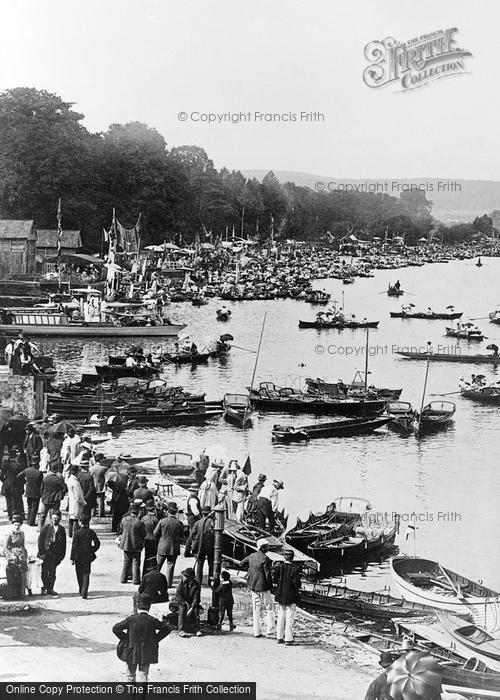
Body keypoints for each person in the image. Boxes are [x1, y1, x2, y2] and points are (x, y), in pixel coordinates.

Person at [112, 593, 171, 683]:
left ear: (137, 605)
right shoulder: (152, 620)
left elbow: (116, 628)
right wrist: (155, 639)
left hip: (131, 651)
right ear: (149, 606)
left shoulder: (131, 619)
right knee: (143, 676)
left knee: (130, 675)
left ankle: (132, 696)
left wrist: (126, 638)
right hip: (146, 651)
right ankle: (141, 697)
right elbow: (166, 628)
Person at [240, 538, 275, 638]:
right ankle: (270, 630)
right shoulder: (265, 558)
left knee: (256, 609)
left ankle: (257, 631)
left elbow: (241, 563)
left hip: (253, 585)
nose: (269, 547)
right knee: (270, 608)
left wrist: (251, 571)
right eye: (267, 546)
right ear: (263, 548)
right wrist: (271, 586)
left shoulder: (252, 556)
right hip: (263, 586)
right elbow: (267, 574)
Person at [273, 549, 301, 645]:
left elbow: (274, 580)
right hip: (291, 596)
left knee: (280, 615)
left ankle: (279, 637)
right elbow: (297, 584)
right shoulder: (294, 569)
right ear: (292, 558)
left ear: (284, 557)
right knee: (290, 617)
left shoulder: (279, 567)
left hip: (280, 595)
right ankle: (288, 639)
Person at [154, 503, 184, 587]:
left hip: (162, 546)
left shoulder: (162, 521)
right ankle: (168, 584)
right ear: (175, 512)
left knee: (158, 565)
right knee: (170, 565)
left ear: (168, 511)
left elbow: (155, 533)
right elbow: (182, 536)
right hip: (174, 547)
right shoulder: (179, 523)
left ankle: (155, 581)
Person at [70, 515, 100, 598]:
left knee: (79, 573)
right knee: (86, 574)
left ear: (80, 522)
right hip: (87, 556)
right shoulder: (91, 532)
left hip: (78, 556)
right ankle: (85, 592)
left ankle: (81, 589)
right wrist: (92, 550)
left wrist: (72, 558)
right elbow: (97, 543)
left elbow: (74, 546)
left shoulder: (76, 533)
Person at [37, 510, 66, 595]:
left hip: (55, 554)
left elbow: (63, 543)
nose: (54, 520)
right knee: (44, 571)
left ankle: (50, 588)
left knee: (52, 572)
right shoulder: (46, 527)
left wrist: (61, 556)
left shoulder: (61, 529)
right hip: (45, 553)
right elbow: (40, 540)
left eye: (56, 518)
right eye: (53, 518)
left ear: (59, 519)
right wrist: (41, 552)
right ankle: (44, 588)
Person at [119, 503, 146, 585]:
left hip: (126, 543)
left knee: (126, 561)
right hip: (136, 544)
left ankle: (123, 578)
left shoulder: (124, 520)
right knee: (136, 562)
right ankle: (136, 579)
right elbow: (144, 533)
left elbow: (121, 528)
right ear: (138, 512)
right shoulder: (139, 522)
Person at [3, 514, 29, 597]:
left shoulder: (22, 533)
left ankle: (22, 592)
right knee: (14, 574)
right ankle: (14, 593)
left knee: (23, 573)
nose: (17, 527)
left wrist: (25, 555)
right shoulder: (9, 535)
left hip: (21, 555)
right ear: (13, 525)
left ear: (21, 525)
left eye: (18, 525)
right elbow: (5, 548)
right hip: (13, 555)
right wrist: (11, 555)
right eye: (15, 525)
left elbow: (23, 545)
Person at [188, 506, 215, 585]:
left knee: (200, 564)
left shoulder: (198, 522)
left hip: (200, 546)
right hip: (210, 546)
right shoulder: (212, 522)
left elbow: (192, 535)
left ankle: (198, 582)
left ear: (203, 513)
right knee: (211, 564)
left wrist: (194, 542)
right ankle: (211, 581)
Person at [18, 455, 43, 526]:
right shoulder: (39, 473)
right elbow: (41, 483)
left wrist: (24, 481)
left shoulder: (26, 470)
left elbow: (19, 476)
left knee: (29, 506)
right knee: (34, 507)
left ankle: (29, 519)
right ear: (37, 464)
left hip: (28, 491)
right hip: (36, 492)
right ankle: (31, 522)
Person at [176, 568, 202, 637]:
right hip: (183, 602)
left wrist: (192, 607)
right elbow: (178, 595)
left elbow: (197, 597)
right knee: (182, 610)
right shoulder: (181, 583)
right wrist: (184, 603)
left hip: (192, 602)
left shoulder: (196, 584)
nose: (183, 577)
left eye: (185, 576)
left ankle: (197, 629)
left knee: (196, 611)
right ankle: (181, 629)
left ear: (190, 577)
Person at [141, 500, 159, 578]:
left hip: (146, 540)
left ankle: (144, 573)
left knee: (146, 556)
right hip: (154, 540)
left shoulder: (143, 518)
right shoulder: (155, 519)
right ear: (153, 508)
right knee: (153, 557)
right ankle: (151, 572)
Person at [66, 465, 85, 538]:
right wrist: (83, 502)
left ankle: (70, 534)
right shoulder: (75, 482)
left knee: (71, 518)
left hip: (71, 501)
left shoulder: (70, 479)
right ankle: (75, 535)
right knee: (75, 519)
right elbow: (78, 495)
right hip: (76, 502)